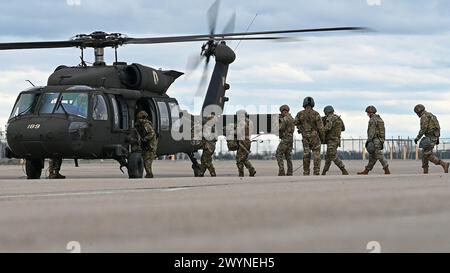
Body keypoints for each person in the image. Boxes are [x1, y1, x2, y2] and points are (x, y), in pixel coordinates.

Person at [413, 104, 449, 174]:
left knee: (427, 154)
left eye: (417, 113)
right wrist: (437, 138)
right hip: (433, 137)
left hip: (430, 137)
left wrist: (417, 138)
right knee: (424, 154)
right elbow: (437, 127)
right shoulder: (431, 115)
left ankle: (444, 164)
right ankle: (425, 171)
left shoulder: (424, 117)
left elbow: (423, 129)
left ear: (419, 111)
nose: (417, 115)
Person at [294, 97, 324, 176]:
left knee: (306, 154)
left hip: (305, 136)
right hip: (315, 136)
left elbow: (295, 122)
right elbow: (321, 128)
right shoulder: (316, 114)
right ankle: (316, 172)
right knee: (316, 154)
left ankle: (306, 172)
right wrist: (322, 137)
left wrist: (301, 128)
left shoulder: (300, 113)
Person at [358, 106, 390, 175]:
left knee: (379, 155)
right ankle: (366, 170)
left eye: (367, 113)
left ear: (370, 113)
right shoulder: (379, 119)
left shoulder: (372, 119)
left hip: (375, 140)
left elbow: (372, 131)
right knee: (372, 157)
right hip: (380, 139)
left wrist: (369, 140)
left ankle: (386, 169)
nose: (367, 114)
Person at [322, 105, 349, 175]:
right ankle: (324, 172)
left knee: (332, 155)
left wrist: (320, 130)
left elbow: (327, 128)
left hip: (332, 139)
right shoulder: (338, 118)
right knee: (328, 157)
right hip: (336, 139)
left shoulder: (330, 118)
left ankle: (343, 169)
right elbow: (343, 128)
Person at [134, 110, 158, 178]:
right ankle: (149, 173)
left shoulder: (146, 124)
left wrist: (145, 139)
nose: (139, 120)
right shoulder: (142, 125)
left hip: (151, 146)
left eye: (140, 118)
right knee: (145, 160)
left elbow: (152, 133)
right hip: (148, 146)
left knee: (147, 161)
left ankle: (149, 174)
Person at [235, 109, 256, 177]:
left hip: (242, 142)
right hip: (247, 141)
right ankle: (251, 170)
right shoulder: (250, 122)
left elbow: (238, 132)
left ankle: (242, 173)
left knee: (239, 159)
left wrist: (232, 131)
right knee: (244, 158)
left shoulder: (242, 122)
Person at [276, 105, 295, 176]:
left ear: (284, 111)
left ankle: (281, 171)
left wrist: (277, 122)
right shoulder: (291, 118)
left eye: (281, 112)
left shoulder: (285, 119)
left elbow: (280, 128)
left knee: (278, 154)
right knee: (288, 156)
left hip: (285, 139)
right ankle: (290, 172)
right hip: (290, 138)